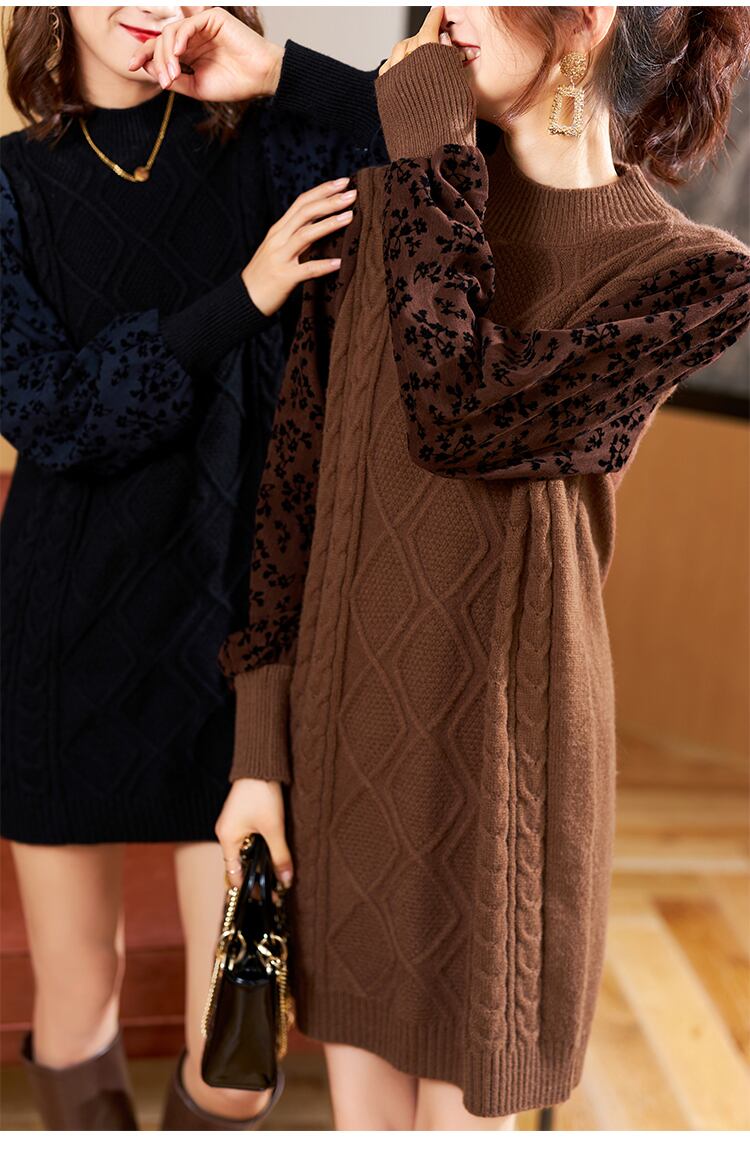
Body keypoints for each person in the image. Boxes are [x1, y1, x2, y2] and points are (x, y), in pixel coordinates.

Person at [203, 5, 750, 1130]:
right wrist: (259, 753)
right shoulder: (388, 205)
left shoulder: (692, 276)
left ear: (585, 19)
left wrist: (426, 152)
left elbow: (461, 410)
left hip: (507, 777)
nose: (440, 14)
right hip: (350, 743)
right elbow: (291, 491)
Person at [0, 4, 389, 1131]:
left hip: (237, 643)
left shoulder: (277, 145)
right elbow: (51, 413)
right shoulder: (11, 185)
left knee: (242, 1042)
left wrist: (278, 72)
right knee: (80, 994)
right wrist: (245, 297)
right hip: (60, 636)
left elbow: (438, 141)